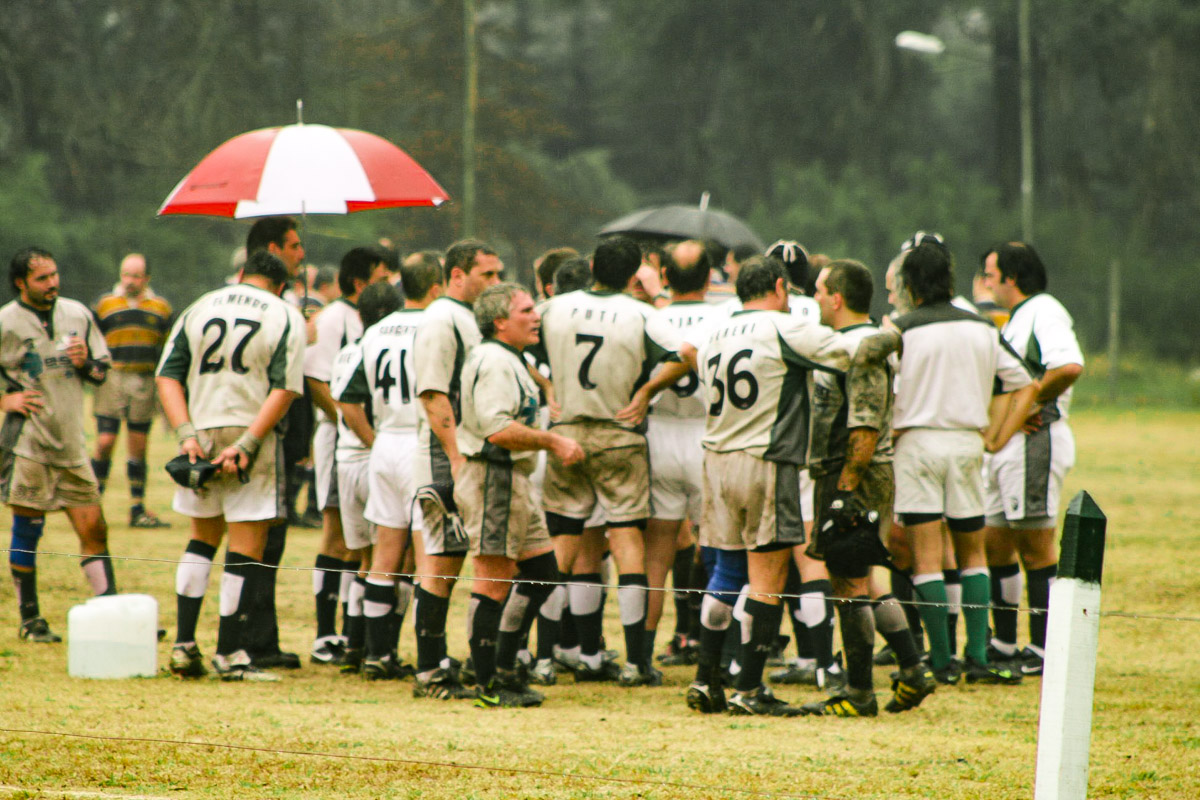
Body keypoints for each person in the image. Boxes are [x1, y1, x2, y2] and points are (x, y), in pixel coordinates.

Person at [679, 255, 900, 716]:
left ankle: (706, 678)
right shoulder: (781, 327)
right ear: (779, 287)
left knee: (725, 573)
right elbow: (856, 350)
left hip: (716, 461)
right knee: (768, 579)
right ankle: (749, 688)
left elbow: (691, 361)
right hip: (765, 459)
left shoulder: (715, 332)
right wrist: (897, 331)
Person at [538, 235, 690, 686]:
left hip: (565, 433)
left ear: (589, 265)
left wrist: (546, 388)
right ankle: (636, 662)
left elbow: (509, 339)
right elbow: (687, 356)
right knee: (627, 545)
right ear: (632, 274)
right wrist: (646, 392)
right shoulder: (640, 313)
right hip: (619, 434)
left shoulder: (555, 308)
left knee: (562, 546)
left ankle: (544, 658)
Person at [889, 242, 1036, 686]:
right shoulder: (983, 327)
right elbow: (1026, 384)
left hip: (915, 445)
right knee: (973, 554)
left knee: (928, 558)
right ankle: (977, 656)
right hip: (967, 444)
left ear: (909, 286)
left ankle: (940, 661)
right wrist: (999, 435)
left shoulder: (899, 328)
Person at [156, 250, 305, 680]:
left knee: (201, 539)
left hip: (200, 431)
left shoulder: (199, 307)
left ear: (241, 275)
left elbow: (167, 375)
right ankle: (229, 652)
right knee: (246, 544)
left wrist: (185, 432)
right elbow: (284, 388)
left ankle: (184, 646)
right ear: (281, 284)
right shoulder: (285, 313)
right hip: (250, 431)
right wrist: (249, 441)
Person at [799, 259, 933, 717]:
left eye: (819, 290)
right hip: (846, 474)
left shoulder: (863, 350)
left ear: (836, 298)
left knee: (850, 583)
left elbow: (865, 427)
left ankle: (859, 693)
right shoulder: (851, 344)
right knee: (862, 580)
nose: (814, 297)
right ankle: (914, 671)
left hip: (855, 474)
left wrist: (844, 489)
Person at [455, 282, 584, 707]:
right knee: (492, 582)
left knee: (543, 571)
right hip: (493, 476)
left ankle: (506, 666)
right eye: (526, 310)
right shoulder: (494, 360)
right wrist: (552, 441)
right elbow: (497, 429)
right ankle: (487, 682)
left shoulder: (509, 358)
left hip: (514, 481)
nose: (536, 317)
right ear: (500, 322)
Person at [335, 258, 442, 680]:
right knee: (424, 554)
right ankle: (431, 658)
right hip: (420, 441)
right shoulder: (437, 326)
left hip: (385, 444)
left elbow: (348, 396)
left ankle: (378, 655)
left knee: (384, 553)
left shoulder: (375, 331)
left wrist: (375, 441)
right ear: (435, 287)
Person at [1, 247, 115, 643]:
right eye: (42, 278)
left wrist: (85, 363)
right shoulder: (6, 322)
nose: (52, 284)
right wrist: (5, 400)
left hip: (70, 442)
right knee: (28, 529)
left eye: (54, 275)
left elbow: (101, 372)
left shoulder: (78, 314)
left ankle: (110, 613)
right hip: (27, 443)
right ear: (21, 283)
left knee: (95, 528)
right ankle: (30, 619)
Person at [981, 242, 1084, 676]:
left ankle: (1045, 649)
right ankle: (1005, 642)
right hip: (1011, 446)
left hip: (1035, 442)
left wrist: (1025, 404)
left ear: (1012, 278)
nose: (987, 283)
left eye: (991, 274)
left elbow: (1068, 366)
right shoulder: (1019, 318)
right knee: (996, 539)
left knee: (1036, 545)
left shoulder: (1044, 309)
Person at [411, 239, 502, 699]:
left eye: (497, 273)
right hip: (445, 453)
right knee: (442, 563)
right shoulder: (440, 318)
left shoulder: (468, 318)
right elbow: (432, 393)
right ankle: (429, 670)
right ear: (456, 275)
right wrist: (454, 457)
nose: (496, 283)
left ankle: (454, 662)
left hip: (468, 451)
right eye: (487, 275)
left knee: (459, 558)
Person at [304, 245, 392, 668]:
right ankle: (325, 633)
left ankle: (351, 629)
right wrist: (349, 420)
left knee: (362, 543)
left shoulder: (367, 321)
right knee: (336, 535)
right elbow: (316, 381)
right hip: (341, 438)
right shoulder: (333, 319)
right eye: (381, 276)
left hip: (361, 437)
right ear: (361, 282)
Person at [643, 241, 718, 668]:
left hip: (662, 434)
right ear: (710, 279)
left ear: (665, 277)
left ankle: (641, 656)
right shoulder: (725, 317)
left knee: (657, 553)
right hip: (708, 436)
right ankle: (711, 650)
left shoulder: (652, 319)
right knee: (716, 551)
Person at [242, 217, 308, 670]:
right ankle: (254, 642)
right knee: (262, 541)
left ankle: (257, 638)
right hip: (261, 439)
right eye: (294, 245)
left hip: (247, 436)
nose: (301, 253)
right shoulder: (276, 312)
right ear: (272, 250)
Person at [90, 253, 175, 528]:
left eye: (136, 276)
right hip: (112, 378)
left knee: (137, 448)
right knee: (104, 442)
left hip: (143, 379)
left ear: (146, 278)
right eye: (126, 274)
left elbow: (169, 346)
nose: (130, 281)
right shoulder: (105, 305)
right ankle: (92, 504)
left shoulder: (160, 308)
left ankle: (137, 508)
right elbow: (91, 339)